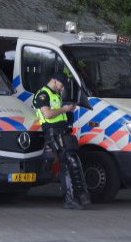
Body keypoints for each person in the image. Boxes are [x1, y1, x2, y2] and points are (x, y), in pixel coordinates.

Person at [34, 73, 90, 210]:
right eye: (61, 84)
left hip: (63, 132)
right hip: (52, 132)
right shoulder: (43, 94)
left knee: (71, 162)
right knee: (69, 160)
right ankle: (77, 196)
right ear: (54, 81)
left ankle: (75, 197)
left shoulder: (56, 94)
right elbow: (47, 114)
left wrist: (68, 110)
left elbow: (58, 113)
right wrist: (64, 109)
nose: (62, 87)